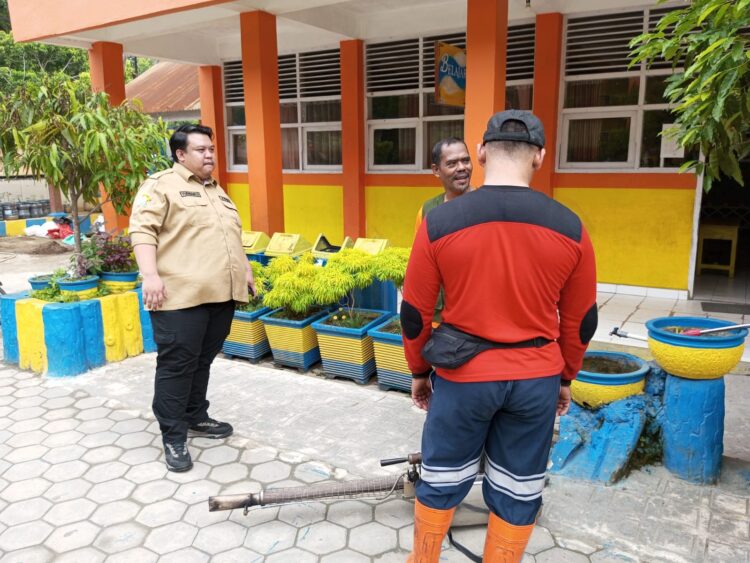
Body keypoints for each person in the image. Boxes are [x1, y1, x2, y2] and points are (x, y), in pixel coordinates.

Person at [401, 110, 597, 562]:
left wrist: (419, 371)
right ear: (541, 157)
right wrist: (565, 378)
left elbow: (414, 314)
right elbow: (581, 320)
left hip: (463, 376)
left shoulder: (439, 222)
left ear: (484, 153)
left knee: (442, 478)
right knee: (519, 486)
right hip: (536, 380)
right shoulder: (571, 228)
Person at [129, 124, 255, 473]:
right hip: (180, 298)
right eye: (201, 150)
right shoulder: (161, 186)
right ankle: (173, 435)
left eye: (211, 149)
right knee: (177, 364)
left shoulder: (216, 190)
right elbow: (142, 231)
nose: (210, 155)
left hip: (220, 295)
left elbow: (231, 236)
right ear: (180, 154)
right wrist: (150, 275)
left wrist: (245, 269)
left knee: (202, 360)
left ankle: (195, 415)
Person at [414, 138, 473, 324]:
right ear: (436, 170)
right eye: (452, 163)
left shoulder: (488, 206)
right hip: (439, 322)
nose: (462, 167)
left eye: (466, 160)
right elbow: (421, 268)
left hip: (476, 319)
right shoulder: (427, 211)